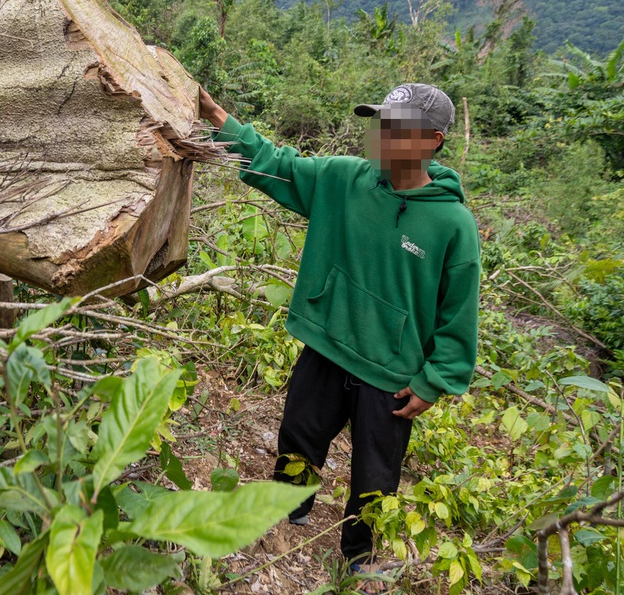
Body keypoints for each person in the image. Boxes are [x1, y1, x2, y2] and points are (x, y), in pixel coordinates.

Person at [199, 83, 481, 591]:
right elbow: (276, 165)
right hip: (328, 344)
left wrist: (436, 380)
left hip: (391, 374)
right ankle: (290, 508)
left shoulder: (452, 222)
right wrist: (220, 120)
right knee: (300, 434)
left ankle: (359, 553)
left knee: (377, 474)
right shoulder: (343, 179)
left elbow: (458, 313)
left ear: (433, 139)